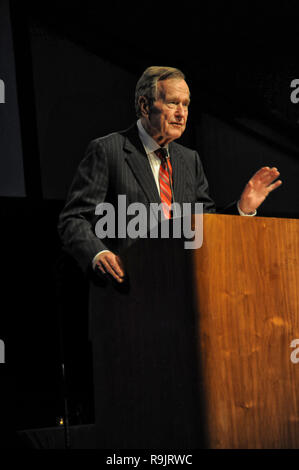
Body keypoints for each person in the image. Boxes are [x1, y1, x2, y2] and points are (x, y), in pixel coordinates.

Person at [58, 66, 282, 281]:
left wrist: (243, 208)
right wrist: (99, 255)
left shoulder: (189, 159)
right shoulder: (108, 150)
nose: (181, 113)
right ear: (145, 106)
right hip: (127, 289)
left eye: (185, 105)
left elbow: (207, 225)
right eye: (173, 103)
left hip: (181, 287)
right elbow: (74, 219)